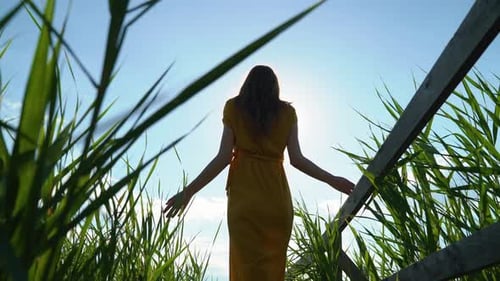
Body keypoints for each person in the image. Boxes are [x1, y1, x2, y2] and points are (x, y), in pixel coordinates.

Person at [163, 65, 354, 280]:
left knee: (245, 269)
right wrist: (332, 180)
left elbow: (223, 157)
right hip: (276, 202)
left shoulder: (234, 108)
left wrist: (188, 191)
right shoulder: (287, 113)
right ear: (275, 87)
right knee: (272, 271)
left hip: (244, 201)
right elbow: (297, 160)